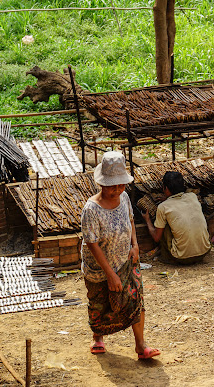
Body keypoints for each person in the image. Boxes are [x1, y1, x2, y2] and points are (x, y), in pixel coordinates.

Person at [81, 151, 160, 359]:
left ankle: (141, 345)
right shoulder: (91, 209)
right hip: (99, 267)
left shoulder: (124, 197)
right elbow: (92, 243)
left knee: (136, 300)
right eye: (112, 186)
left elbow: (131, 220)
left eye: (120, 185)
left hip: (126, 259)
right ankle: (98, 337)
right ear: (101, 184)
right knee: (99, 302)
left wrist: (135, 245)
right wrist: (110, 274)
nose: (117, 190)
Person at [142, 171, 211, 264]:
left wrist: (147, 220)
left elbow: (156, 237)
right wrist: (167, 199)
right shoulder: (192, 196)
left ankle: (166, 257)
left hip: (181, 257)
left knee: (164, 225)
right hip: (204, 252)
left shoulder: (163, 207)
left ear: (165, 188)